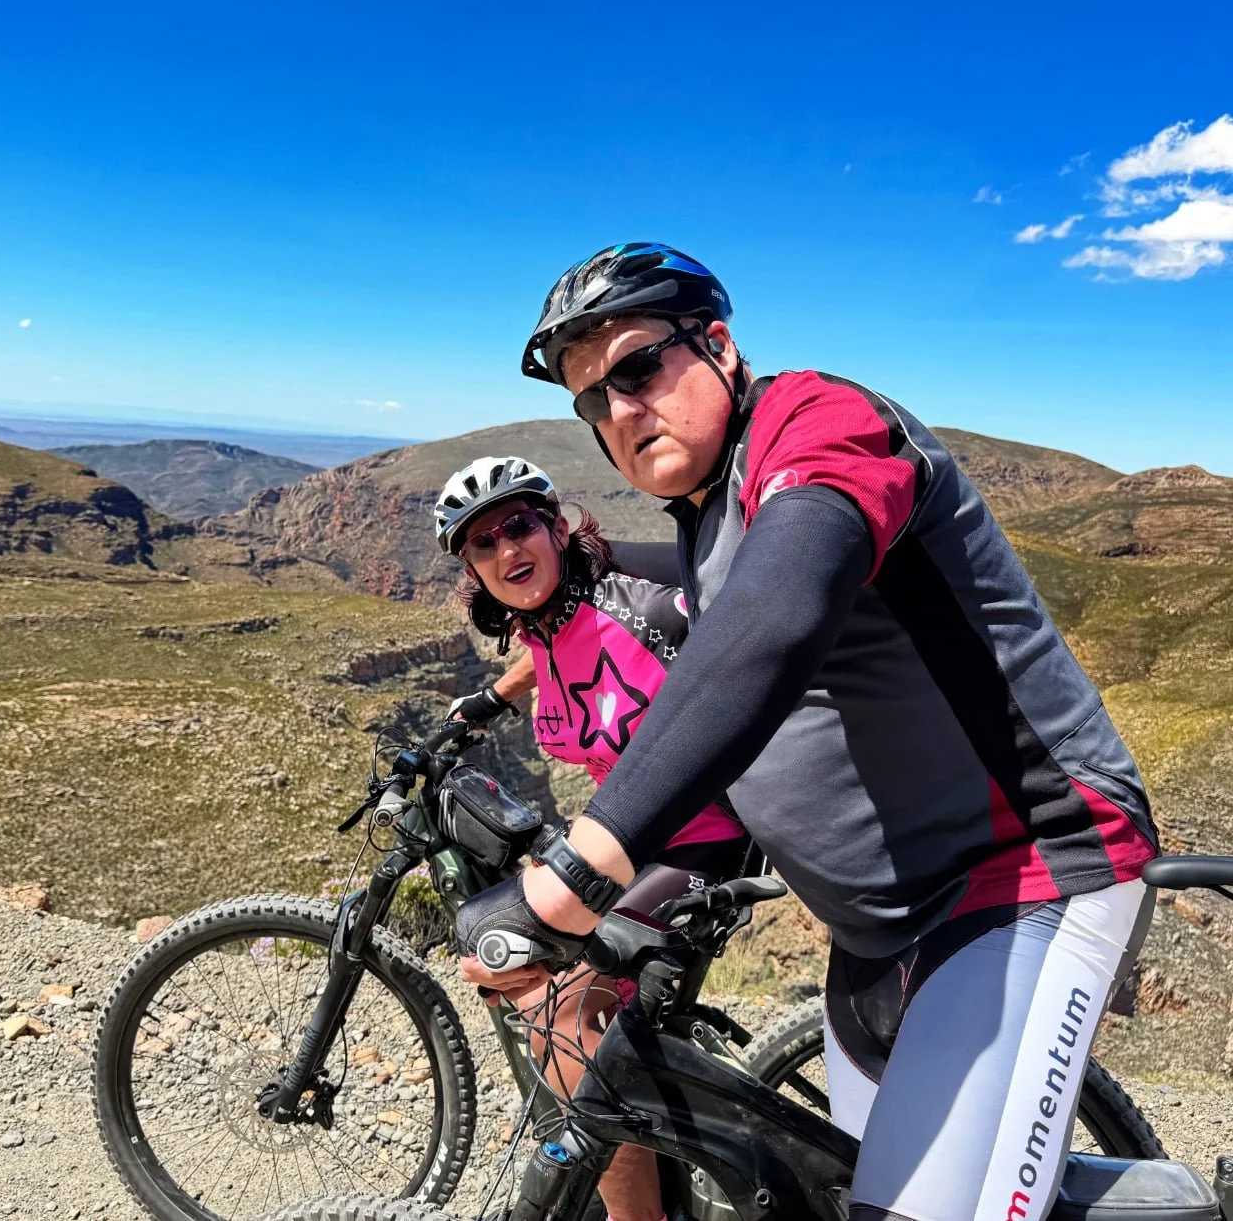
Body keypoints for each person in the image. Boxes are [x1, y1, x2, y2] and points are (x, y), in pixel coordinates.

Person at [457, 245, 1160, 1221]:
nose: (620, 408)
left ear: (719, 344)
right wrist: (496, 693)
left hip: (1021, 881)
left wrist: (577, 872)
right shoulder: (703, 519)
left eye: (638, 367)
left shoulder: (818, 421)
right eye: (593, 399)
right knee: (852, 1195)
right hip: (873, 938)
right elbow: (600, 619)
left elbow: (771, 620)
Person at [434, 454, 748, 1221]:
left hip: (706, 838)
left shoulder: (644, 605)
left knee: (551, 1002)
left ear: (555, 524)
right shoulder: (540, 620)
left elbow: (749, 644)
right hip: (634, 838)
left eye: (518, 526)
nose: (507, 549)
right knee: (556, 978)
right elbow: (554, 656)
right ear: (473, 569)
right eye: (484, 543)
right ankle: (643, 1117)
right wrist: (488, 699)